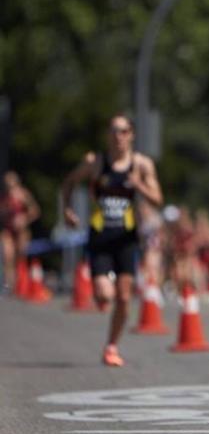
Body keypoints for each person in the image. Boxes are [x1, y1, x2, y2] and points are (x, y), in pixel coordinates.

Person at [61, 115, 164, 367]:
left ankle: (111, 346)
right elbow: (70, 182)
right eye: (114, 131)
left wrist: (139, 186)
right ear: (108, 135)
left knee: (125, 297)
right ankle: (103, 297)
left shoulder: (141, 165)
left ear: (132, 135)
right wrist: (67, 209)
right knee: (103, 294)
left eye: (124, 131)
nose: (119, 136)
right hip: (100, 236)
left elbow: (158, 199)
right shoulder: (95, 163)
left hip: (127, 238)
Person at [0, 171, 41, 291]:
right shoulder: (3, 197)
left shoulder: (23, 194)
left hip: (21, 230)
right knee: (8, 256)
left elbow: (35, 211)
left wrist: (24, 219)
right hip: (7, 229)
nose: (9, 187)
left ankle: (21, 283)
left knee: (20, 255)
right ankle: (9, 284)